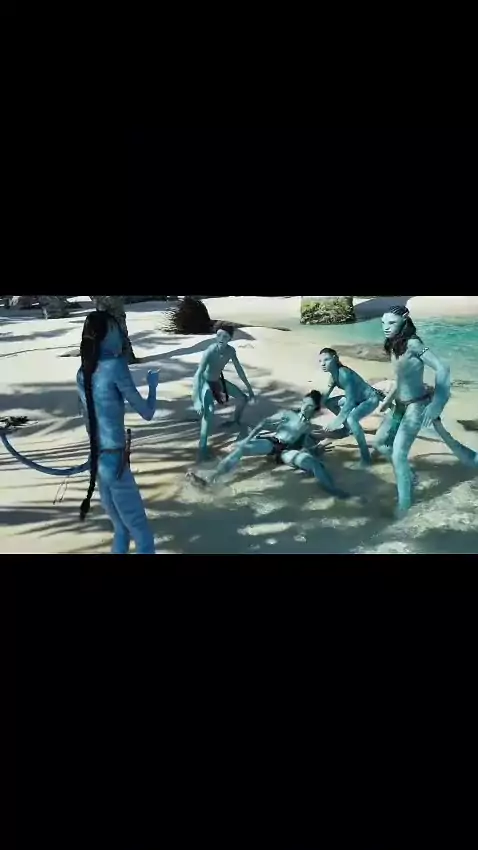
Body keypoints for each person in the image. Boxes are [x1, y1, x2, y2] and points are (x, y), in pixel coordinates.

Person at [77, 310, 160, 554]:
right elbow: (147, 412)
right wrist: (153, 387)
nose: (120, 336)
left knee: (121, 530)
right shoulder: (115, 366)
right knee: (142, 533)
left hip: (99, 461)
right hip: (115, 462)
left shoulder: (83, 373)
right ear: (103, 336)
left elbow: (88, 421)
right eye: (115, 330)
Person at [187, 390, 350, 498]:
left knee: (315, 464)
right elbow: (263, 423)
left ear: (314, 408)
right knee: (241, 449)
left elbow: (303, 444)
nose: (304, 407)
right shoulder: (288, 414)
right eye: (303, 403)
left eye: (309, 406)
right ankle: (211, 479)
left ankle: (334, 491)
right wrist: (247, 440)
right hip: (272, 443)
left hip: (287, 452)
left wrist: (315, 451)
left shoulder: (308, 427)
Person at [373, 305, 451, 516]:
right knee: (380, 443)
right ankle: (409, 476)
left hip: (416, 405)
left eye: (391, 323)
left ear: (405, 320)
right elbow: (401, 378)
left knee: (398, 455)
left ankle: (405, 505)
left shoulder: (414, 344)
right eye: (383, 323)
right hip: (399, 404)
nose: (386, 327)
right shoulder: (393, 344)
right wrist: (387, 400)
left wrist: (437, 403)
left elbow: (443, 368)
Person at [192, 323, 255, 460]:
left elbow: (239, 370)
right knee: (209, 411)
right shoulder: (210, 351)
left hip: (217, 381)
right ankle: (202, 448)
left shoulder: (231, 351)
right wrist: (197, 400)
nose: (221, 338)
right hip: (204, 383)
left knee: (243, 399)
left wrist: (249, 388)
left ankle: (235, 421)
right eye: (219, 335)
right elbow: (198, 374)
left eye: (225, 336)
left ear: (230, 338)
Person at [318, 348, 385, 465]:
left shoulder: (344, 374)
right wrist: (309, 407)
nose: (322, 364)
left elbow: (350, 402)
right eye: (320, 361)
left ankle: (366, 458)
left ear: (335, 359)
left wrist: (337, 421)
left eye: (326, 360)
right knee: (329, 403)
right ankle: (347, 429)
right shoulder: (333, 377)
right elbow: (324, 398)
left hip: (370, 399)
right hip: (357, 398)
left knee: (352, 419)